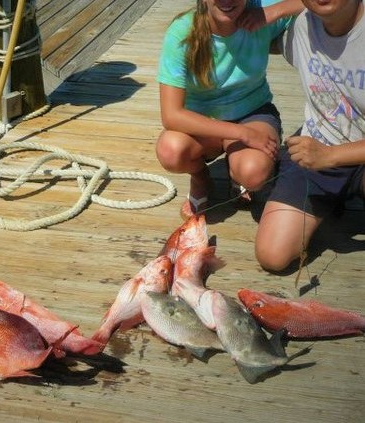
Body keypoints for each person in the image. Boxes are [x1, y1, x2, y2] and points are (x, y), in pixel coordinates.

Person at [156, 0, 304, 218]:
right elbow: (172, 116)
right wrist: (242, 134)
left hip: (253, 111)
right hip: (205, 121)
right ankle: (201, 178)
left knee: (253, 173)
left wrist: (273, 12)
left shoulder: (259, 11)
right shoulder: (182, 32)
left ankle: (237, 172)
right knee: (170, 151)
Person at [255, 0, 365, 272]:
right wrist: (276, 10)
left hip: (351, 154)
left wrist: (331, 156)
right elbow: (236, 34)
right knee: (272, 255)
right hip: (316, 145)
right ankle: (327, 204)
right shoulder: (301, 26)